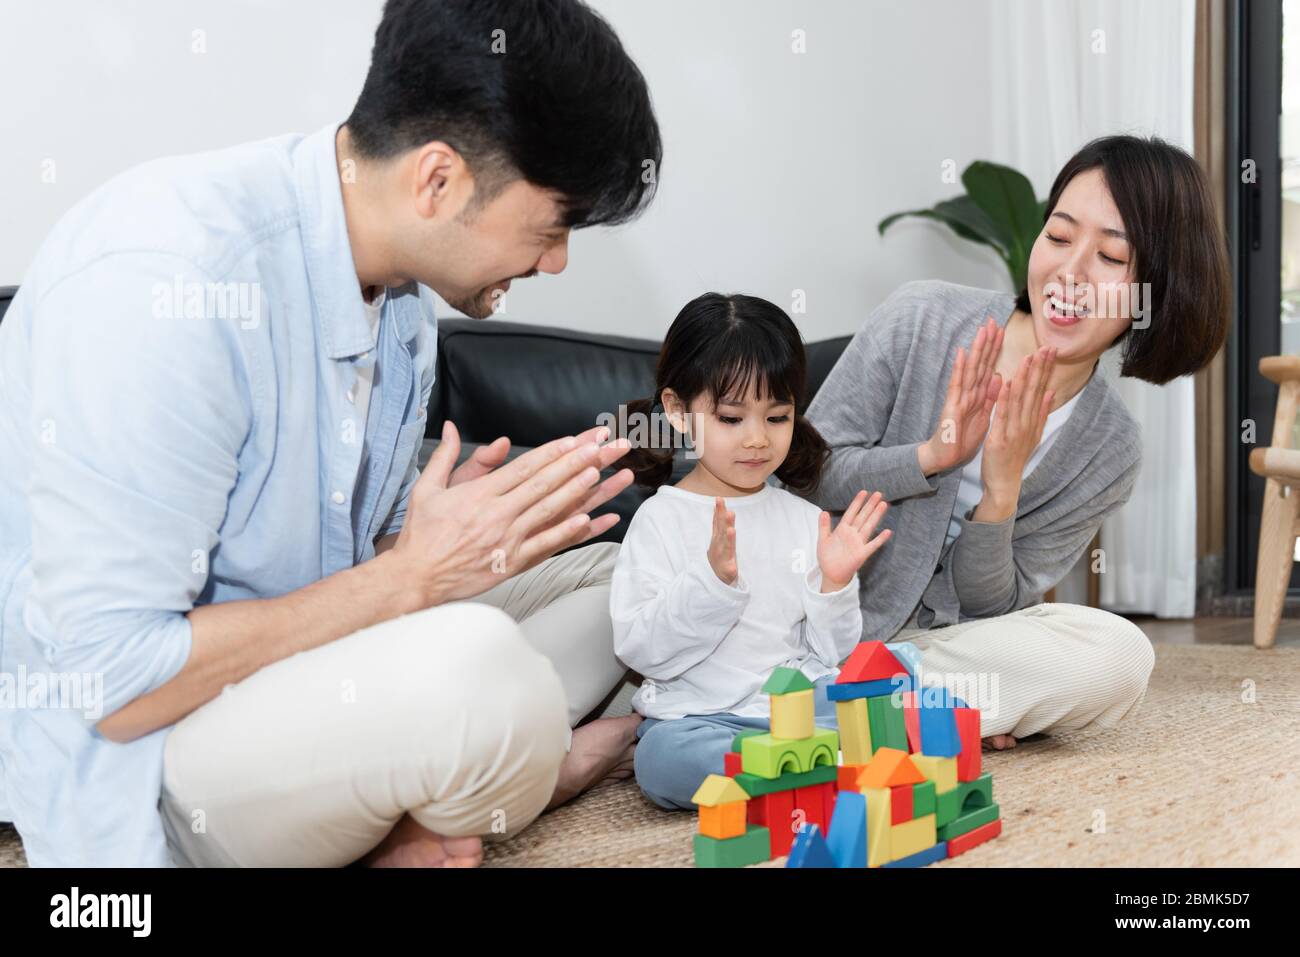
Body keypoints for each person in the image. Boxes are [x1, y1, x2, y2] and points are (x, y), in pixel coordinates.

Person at [0, 0, 661, 867]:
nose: (555, 261)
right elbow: (115, 682)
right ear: (438, 181)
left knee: (631, 577)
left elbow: (334, 574)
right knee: (481, 676)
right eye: (552, 226)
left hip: (297, 672)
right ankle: (529, 773)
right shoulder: (169, 282)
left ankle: (444, 789)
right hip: (152, 745)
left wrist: (438, 539)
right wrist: (413, 573)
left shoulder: (401, 300)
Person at [802, 135, 1231, 751]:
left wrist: (999, 493)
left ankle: (828, 707)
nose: (1069, 271)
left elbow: (993, 603)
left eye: (1111, 257)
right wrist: (934, 457)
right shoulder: (920, 318)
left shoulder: (1110, 449)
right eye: (1058, 237)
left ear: (1156, 294)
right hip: (819, 608)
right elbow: (808, 474)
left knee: (1119, 655)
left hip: (930, 650)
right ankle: (910, 713)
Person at [609, 293, 890, 809]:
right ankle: (812, 770)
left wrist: (834, 583)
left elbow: (834, 655)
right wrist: (711, 584)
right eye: (732, 419)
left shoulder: (804, 518)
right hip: (703, 721)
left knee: (896, 681)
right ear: (676, 410)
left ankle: (792, 774)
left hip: (799, 710)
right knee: (662, 761)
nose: (758, 439)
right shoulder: (660, 518)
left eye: (778, 417)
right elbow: (640, 649)